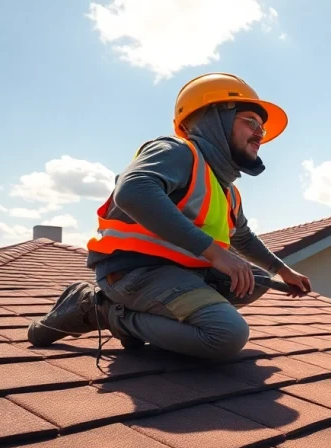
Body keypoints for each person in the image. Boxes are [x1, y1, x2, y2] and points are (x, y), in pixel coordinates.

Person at [27, 72, 311, 360]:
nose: (260, 132)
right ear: (214, 120)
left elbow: (242, 237)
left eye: (261, 126)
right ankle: (104, 311)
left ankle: (159, 315)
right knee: (227, 334)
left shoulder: (227, 189)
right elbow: (133, 190)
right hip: (133, 271)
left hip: (179, 272)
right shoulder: (177, 151)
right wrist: (214, 253)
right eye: (251, 121)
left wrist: (283, 270)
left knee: (256, 280)